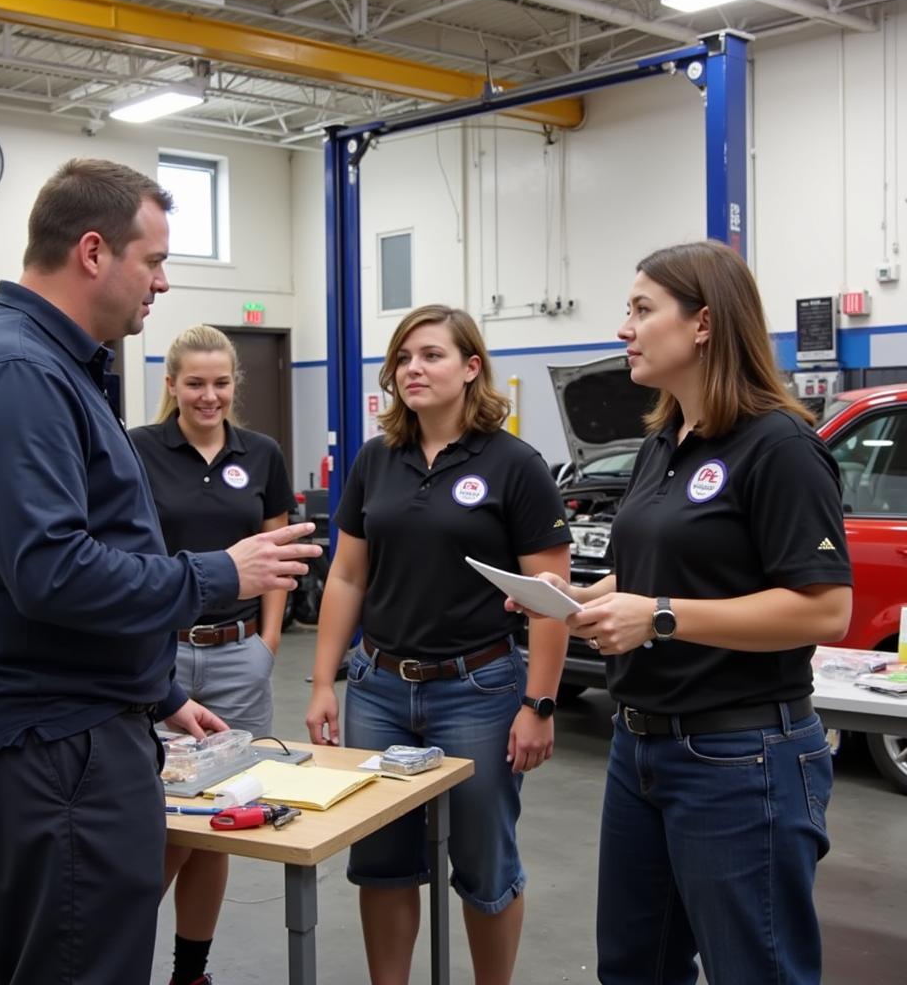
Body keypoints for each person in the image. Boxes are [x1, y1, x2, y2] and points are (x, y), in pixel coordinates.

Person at [0, 159, 321, 985]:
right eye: (155, 260)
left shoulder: (50, 365)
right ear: (94, 251)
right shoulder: (19, 372)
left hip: (70, 722)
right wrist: (220, 574)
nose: (164, 283)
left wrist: (160, 693)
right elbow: (52, 574)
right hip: (48, 741)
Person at [513, 241, 852, 985]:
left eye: (641, 310)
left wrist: (660, 616)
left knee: (753, 970)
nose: (622, 328)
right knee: (636, 969)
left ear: (703, 323)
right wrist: (585, 600)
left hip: (741, 756)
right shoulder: (663, 443)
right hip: (639, 749)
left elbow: (825, 609)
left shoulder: (780, 446)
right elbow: (656, 573)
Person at [305, 304, 571, 985]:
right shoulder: (376, 459)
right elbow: (346, 574)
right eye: (403, 358)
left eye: (431, 355)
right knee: (383, 862)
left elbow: (550, 597)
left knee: (485, 864)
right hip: (379, 689)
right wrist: (322, 681)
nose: (413, 369)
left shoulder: (515, 464)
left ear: (471, 368)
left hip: (479, 692)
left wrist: (538, 703)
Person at [130, 325, 295, 985]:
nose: (209, 396)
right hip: (161, 657)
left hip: (237, 653)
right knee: (160, 818)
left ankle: (189, 972)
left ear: (235, 384)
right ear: (171, 384)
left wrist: (268, 642)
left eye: (221, 383)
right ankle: (120, 957)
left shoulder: (262, 454)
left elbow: (279, 553)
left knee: (215, 820)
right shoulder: (138, 450)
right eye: (194, 383)